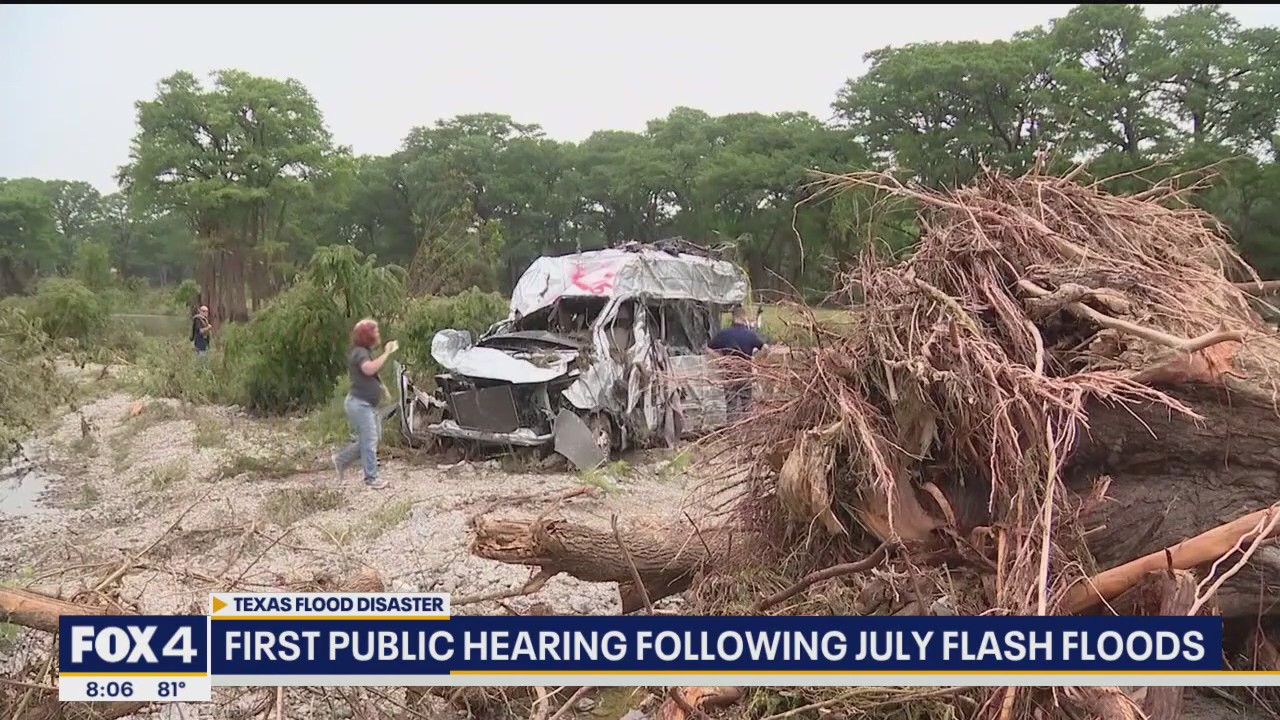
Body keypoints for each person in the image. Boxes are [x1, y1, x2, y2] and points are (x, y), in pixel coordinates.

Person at [333, 318, 398, 490]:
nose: (378, 334)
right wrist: (386, 353)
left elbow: (370, 375)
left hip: (366, 404)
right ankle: (371, 478)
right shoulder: (360, 353)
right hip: (359, 404)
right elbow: (369, 369)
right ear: (367, 335)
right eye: (375, 332)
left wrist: (382, 387)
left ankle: (341, 459)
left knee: (372, 438)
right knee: (370, 440)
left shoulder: (363, 351)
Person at [708, 306, 768, 422]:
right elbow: (766, 348)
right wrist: (753, 359)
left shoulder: (724, 334)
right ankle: (747, 432)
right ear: (744, 317)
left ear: (733, 317)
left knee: (731, 408)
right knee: (747, 406)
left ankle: (732, 432)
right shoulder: (750, 334)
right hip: (745, 373)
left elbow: (707, 348)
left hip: (729, 374)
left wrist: (721, 359)